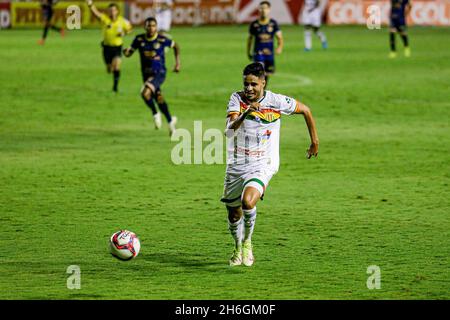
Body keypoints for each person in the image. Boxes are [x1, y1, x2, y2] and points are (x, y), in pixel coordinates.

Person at [221, 62, 319, 267]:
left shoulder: (276, 101)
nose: (249, 88)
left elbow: (306, 111)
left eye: (254, 84)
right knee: (234, 213)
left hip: (263, 163)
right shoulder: (236, 100)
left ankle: (248, 242)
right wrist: (247, 112)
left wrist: (314, 141)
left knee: (248, 202)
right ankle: (238, 246)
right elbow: (229, 131)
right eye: (246, 84)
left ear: (263, 83)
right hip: (237, 164)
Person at [123, 17, 180, 136]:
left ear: (156, 27)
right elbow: (130, 52)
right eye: (149, 25)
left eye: (153, 25)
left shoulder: (162, 39)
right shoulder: (139, 39)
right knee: (159, 99)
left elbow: (176, 46)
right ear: (145, 27)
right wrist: (126, 52)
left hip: (159, 73)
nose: (151, 28)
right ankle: (171, 124)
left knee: (145, 93)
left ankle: (155, 114)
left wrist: (177, 63)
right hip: (146, 74)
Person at [87, 1, 132, 92]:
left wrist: (123, 33)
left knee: (116, 66)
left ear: (117, 11)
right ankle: (110, 69)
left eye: (114, 10)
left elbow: (129, 29)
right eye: (110, 10)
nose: (112, 12)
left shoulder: (122, 21)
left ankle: (115, 87)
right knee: (109, 69)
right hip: (106, 48)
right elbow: (96, 13)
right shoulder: (105, 19)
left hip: (117, 47)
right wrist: (90, 5)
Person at [247, 1, 283, 84]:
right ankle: (258, 92)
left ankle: (262, 92)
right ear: (258, 10)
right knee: (259, 72)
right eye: (261, 8)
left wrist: (279, 48)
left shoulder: (273, 23)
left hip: (269, 54)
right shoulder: (254, 24)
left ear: (269, 9)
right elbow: (250, 39)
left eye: (265, 8)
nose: (263, 10)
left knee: (267, 74)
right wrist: (248, 52)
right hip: (258, 53)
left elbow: (280, 38)